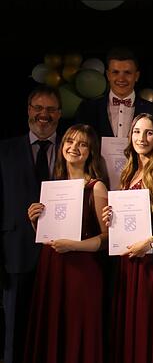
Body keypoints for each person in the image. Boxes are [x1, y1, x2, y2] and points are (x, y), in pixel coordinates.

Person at [24, 124, 109, 363]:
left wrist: (74, 246)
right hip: (52, 267)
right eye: (70, 141)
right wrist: (35, 222)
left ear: (91, 151)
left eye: (82, 144)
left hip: (81, 270)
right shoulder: (54, 184)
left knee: (76, 329)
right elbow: (48, 234)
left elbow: (106, 239)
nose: (74, 147)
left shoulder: (96, 186)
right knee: (54, 328)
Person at [101, 113, 153, 363]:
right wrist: (111, 216)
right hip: (127, 262)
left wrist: (151, 242)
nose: (142, 138)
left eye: (149, 132)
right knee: (130, 324)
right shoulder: (129, 171)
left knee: (149, 322)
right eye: (136, 132)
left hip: (150, 261)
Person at [0, 86, 61, 363]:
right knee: (15, 331)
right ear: (28, 110)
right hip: (15, 251)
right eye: (38, 108)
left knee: (57, 330)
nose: (43, 115)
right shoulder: (5, 150)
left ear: (59, 113)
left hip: (62, 253)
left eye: (50, 109)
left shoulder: (71, 149)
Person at [76, 47, 153, 140]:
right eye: (115, 72)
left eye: (127, 73)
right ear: (108, 75)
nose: (121, 79)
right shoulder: (87, 109)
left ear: (137, 76)